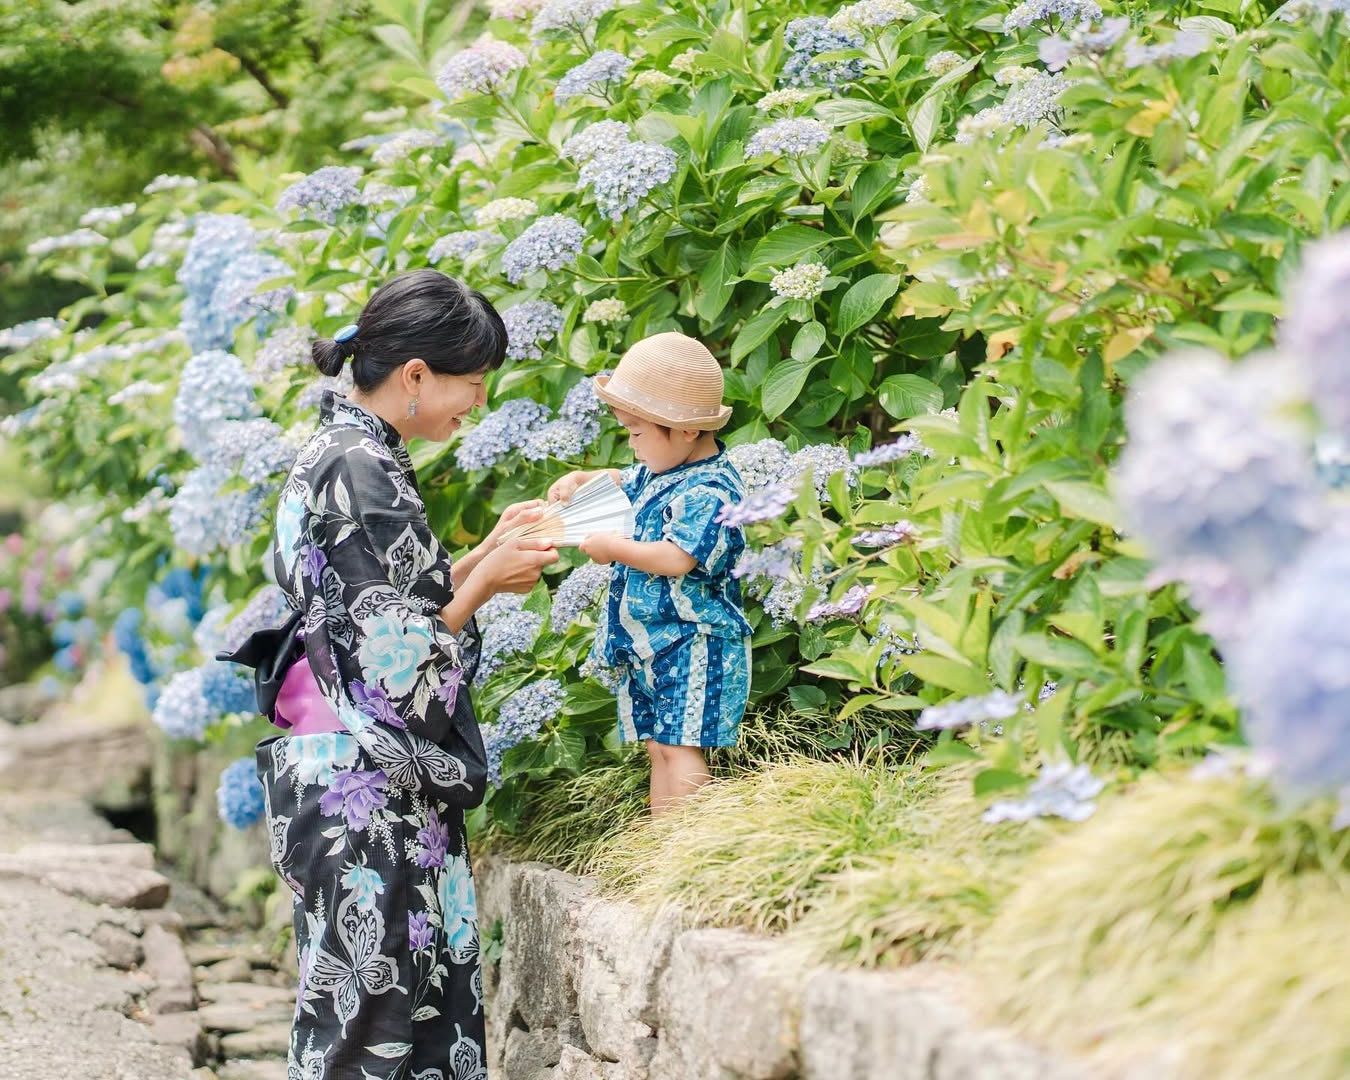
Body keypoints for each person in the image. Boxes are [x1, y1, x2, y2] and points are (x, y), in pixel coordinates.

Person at [250, 269, 557, 1079]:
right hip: (369, 797)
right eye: (473, 384)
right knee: (375, 1036)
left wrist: (488, 548)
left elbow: (380, 610)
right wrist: (487, 583)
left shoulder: (342, 448)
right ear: (415, 375)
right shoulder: (365, 468)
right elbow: (399, 666)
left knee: (380, 1020)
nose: (477, 405)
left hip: (345, 780)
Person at [547, 331, 753, 815]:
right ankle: (661, 849)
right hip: (650, 643)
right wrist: (583, 479)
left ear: (683, 431)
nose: (631, 444)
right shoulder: (662, 469)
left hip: (693, 639)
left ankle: (690, 849)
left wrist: (616, 548)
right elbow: (626, 477)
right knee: (659, 745)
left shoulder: (711, 489)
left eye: (637, 433)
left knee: (681, 747)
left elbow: (678, 557)